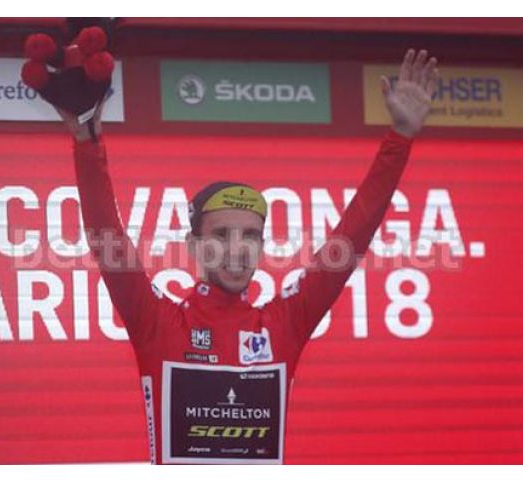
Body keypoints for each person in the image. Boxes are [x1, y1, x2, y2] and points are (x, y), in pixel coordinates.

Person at [55, 48, 438, 464]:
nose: (237, 248)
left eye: (251, 236)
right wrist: (86, 142)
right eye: (221, 235)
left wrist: (400, 137)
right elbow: (107, 237)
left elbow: (353, 234)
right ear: (194, 246)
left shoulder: (283, 325)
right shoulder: (158, 323)